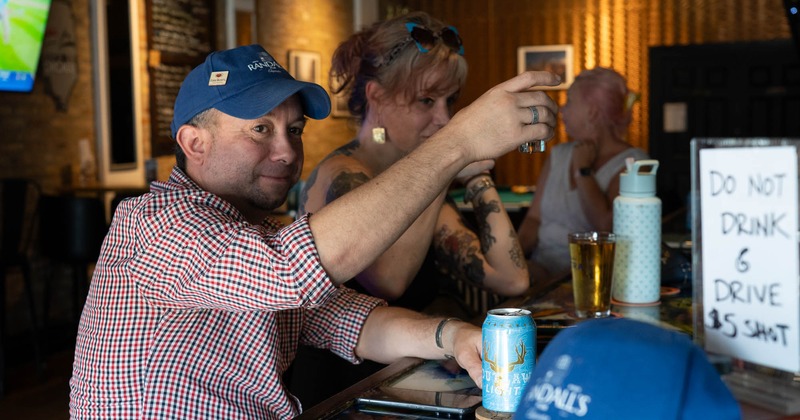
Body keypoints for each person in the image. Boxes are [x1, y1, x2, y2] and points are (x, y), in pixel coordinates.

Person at [68, 44, 560, 418]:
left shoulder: (256, 231)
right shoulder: (154, 222)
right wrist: (461, 141)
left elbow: (350, 320)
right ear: (194, 143)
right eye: (261, 129)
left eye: (295, 130)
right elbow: (289, 271)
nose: (286, 151)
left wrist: (450, 335)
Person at [288, 12, 547, 406]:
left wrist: (478, 178)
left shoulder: (420, 177)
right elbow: (389, 282)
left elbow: (510, 280)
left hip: (414, 377)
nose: (443, 118)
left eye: (450, 101)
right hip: (348, 389)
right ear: (377, 97)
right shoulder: (343, 173)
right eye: (426, 100)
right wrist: (451, 160)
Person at [517, 67, 648, 282]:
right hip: (539, 274)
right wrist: (513, 265)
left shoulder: (635, 163)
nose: (562, 110)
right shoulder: (558, 154)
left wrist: (583, 170)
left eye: (569, 102)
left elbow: (606, 227)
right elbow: (533, 219)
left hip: (592, 281)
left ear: (593, 113)